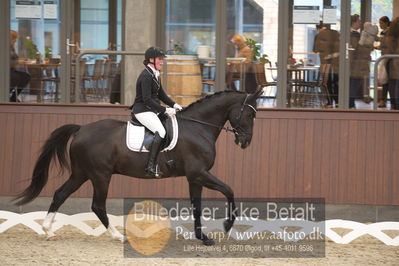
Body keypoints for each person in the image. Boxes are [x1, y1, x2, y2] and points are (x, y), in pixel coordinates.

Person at [130, 47, 182, 177]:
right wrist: (165, 110)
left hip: (151, 110)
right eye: (160, 59)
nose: (162, 61)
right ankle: (150, 166)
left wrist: (174, 104)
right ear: (151, 60)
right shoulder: (146, 76)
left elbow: (161, 95)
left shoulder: (154, 74)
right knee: (162, 132)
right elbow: (147, 100)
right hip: (142, 110)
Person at [313, 23, 340, 107]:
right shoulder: (337, 33)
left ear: (319, 28)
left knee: (326, 83)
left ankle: (329, 102)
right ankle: (338, 101)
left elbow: (315, 50)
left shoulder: (319, 35)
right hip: (337, 63)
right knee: (336, 82)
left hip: (325, 63)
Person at [9, 30, 31, 102]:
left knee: (26, 76)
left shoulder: (11, 47)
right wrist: (18, 61)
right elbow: (5, 62)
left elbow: (14, 58)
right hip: (5, 71)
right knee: (16, 77)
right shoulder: (3, 48)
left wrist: (22, 60)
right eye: (14, 39)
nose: (15, 41)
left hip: (11, 70)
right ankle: (5, 94)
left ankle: (13, 97)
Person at [384, 17, 399, 110]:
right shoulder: (397, 22)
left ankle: (395, 105)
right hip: (396, 60)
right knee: (396, 83)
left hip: (394, 59)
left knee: (394, 83)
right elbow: (390, 41)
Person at [376, 16, 391, 108]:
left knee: (387, 79)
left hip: (388, 58)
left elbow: (385, 45)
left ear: (386, 23)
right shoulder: (382, 32)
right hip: (384, 57)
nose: (380, 25)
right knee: (384, 79)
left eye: (381, 23)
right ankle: (383, 99)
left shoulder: (389, 32)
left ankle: (384, 100)